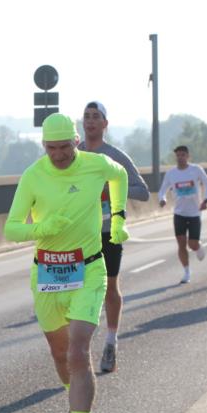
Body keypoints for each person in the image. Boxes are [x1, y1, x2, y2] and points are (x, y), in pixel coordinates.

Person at [4, 113, 129, 413]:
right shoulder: (33, 175)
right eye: (51, 148)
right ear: (44, 146)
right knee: (61, 357)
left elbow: (118, 176)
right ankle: (75, 400)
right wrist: (42, 228)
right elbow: (10, 228)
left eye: (64, 147)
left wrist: (118, 219)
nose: (58, 155)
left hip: (89, 269)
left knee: (77, 351)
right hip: (46, 274)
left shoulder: (95, 165)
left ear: (76, 141)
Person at [79, 101, 149, 374]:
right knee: (80, 289)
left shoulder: (115, 156)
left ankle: (110, 340)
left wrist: (112, 186)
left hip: (109, 232)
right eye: (87, 116)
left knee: (109, 286)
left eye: (96, 117)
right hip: (80, 233)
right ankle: (81, 348)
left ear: (105, 124)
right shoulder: (75, 154)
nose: (91, 121)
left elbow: (143, 191)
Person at [157, 145, 207, 284]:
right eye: (178, 155)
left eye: (183, 155)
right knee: (181, 244)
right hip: (179, 213)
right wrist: (162, 199)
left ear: (188, 156)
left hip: (194, 213)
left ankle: (198, 246)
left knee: (192, 244)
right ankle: (187, 271)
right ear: (175, 157)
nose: (180, 157)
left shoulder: (196, 170)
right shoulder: (171, 173)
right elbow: (162, 189)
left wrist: (206, 200)